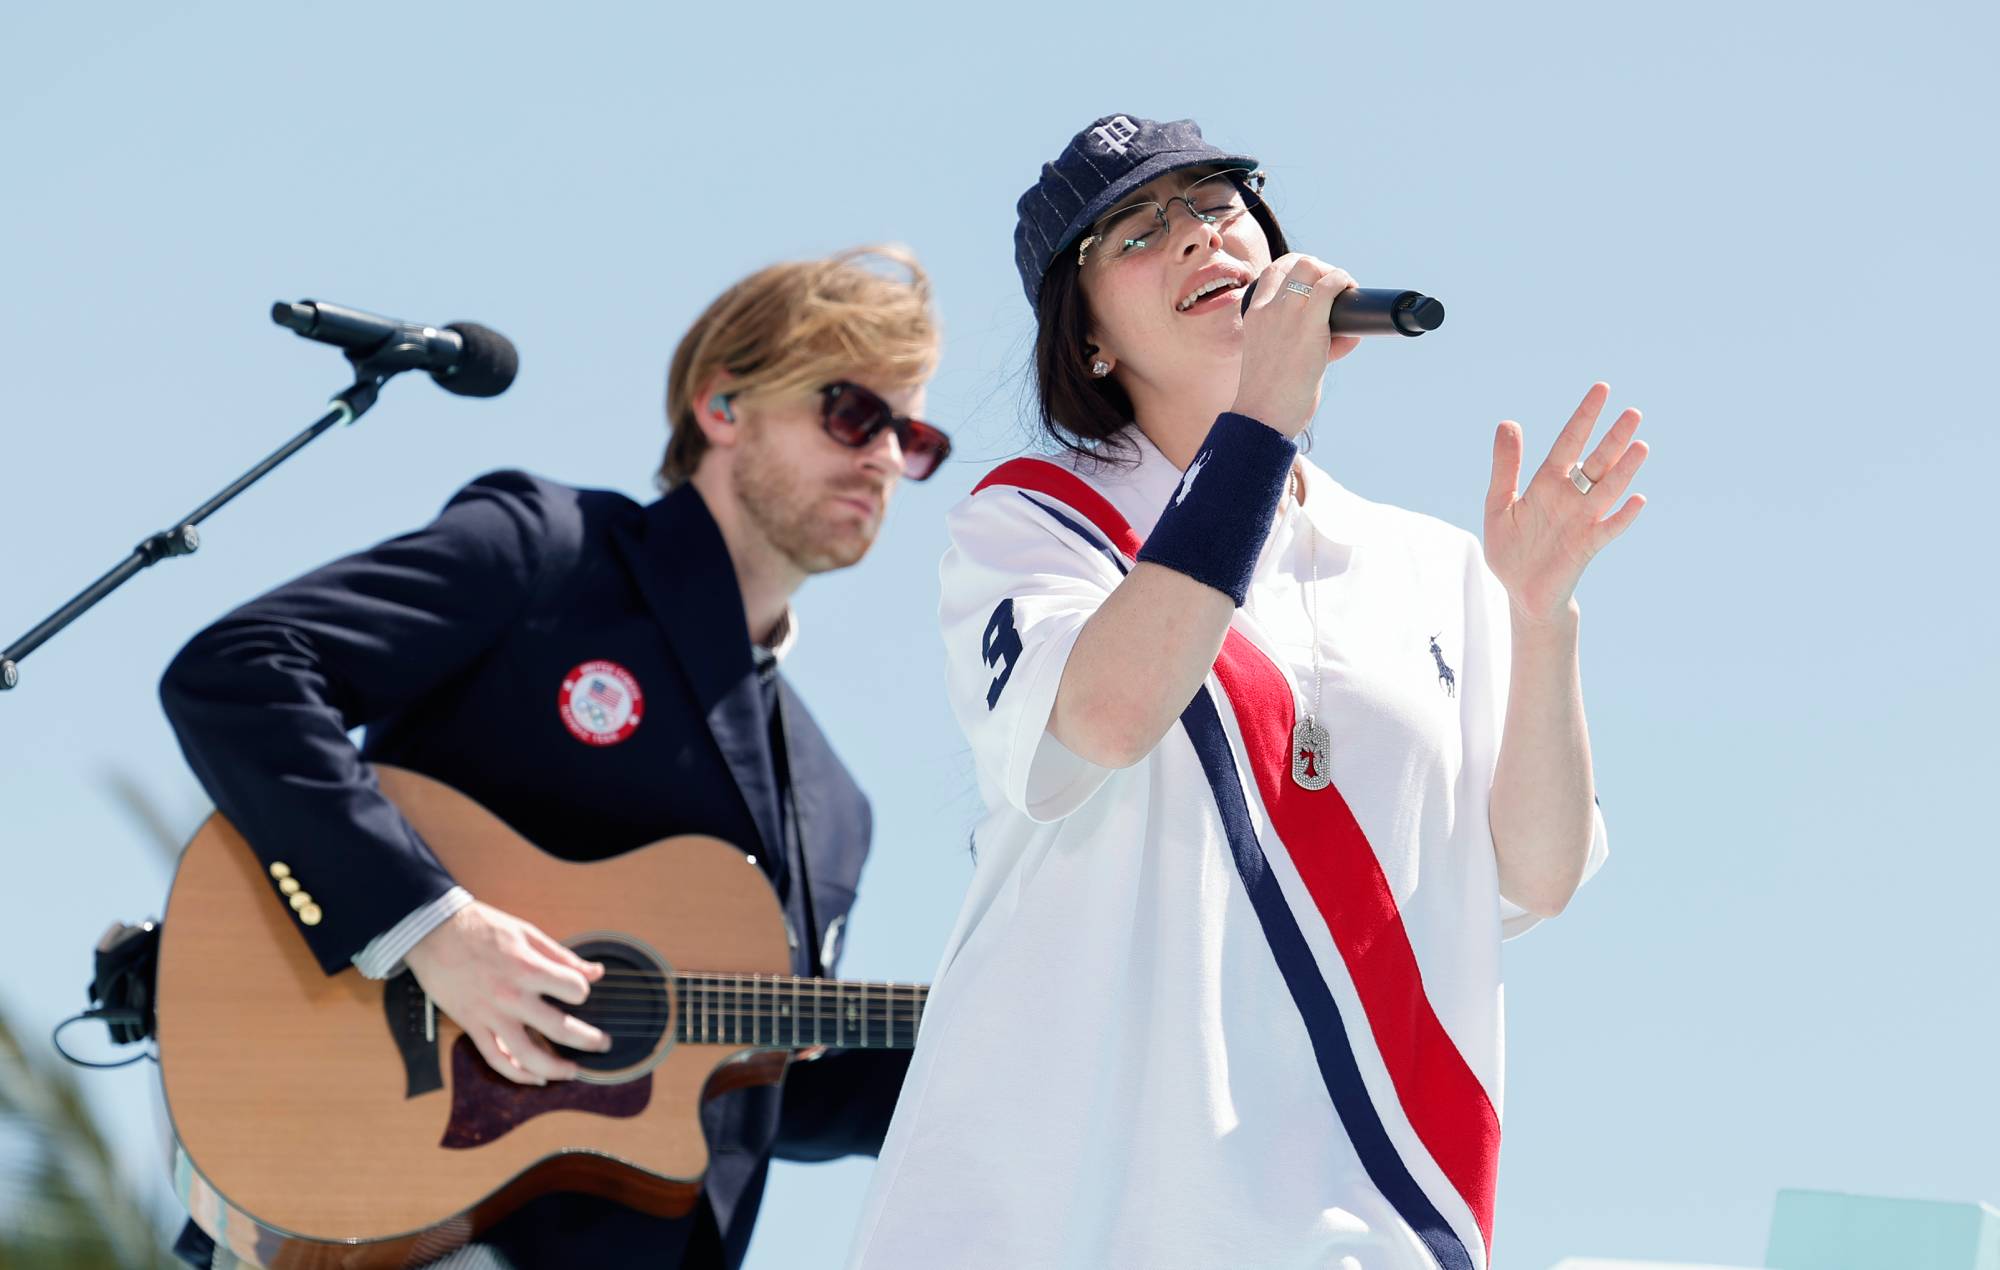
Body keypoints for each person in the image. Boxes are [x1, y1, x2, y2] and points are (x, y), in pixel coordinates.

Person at [845, 116, 1646, 1270]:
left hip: (1363, 1220)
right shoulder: (1034, 525)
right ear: (1088, 345)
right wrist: (1258, 419)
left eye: (1219, 204)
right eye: (1133, 229)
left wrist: (1539, 616)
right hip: (1065, 1219)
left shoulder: (1431, 562)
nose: (1194, 237)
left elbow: (1539, 872)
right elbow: (1110, 716)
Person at [158, 246, 951, 1269]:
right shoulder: (549, 553)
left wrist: (979, 1056)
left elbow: (738, 1081)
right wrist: (432, 927)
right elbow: (243, 672)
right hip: (396, 1224)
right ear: (722, 405)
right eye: (852, 413)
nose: (885, 455)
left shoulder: (837, 807)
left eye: (913, 434)